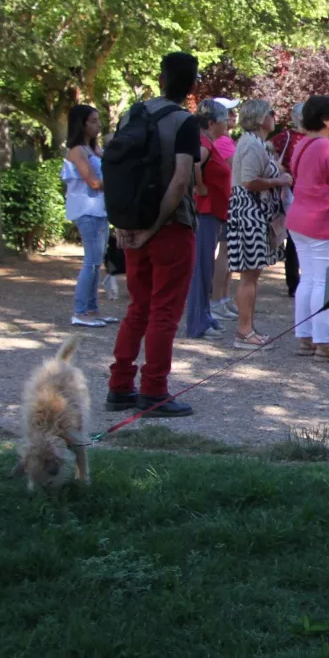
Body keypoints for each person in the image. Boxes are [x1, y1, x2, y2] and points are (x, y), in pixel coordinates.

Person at [107, 52, 202, 418]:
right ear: (192, 86)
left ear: (161, 79)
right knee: (164, 311)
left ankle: (119, 385)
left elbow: (116, 169)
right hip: (170, 226)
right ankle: (154, 390)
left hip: (131, 223)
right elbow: (181, 180)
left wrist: (127, 226)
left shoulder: (132, 114)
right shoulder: (184, 122)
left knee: (138, 307)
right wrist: (154, 228)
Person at [286, 96, 329, 362]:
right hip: (322, 221)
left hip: (300, 219)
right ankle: (323, 341)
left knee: (308, 279)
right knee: (324, 282)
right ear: (326, 119)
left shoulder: (302, 145)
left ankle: (305, 337)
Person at [227, 99, 293, 350]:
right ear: (259, 117)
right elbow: (249, 182)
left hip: (254, 213)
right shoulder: (251, 145)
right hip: (249, 214)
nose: (274, 116)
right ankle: (244, 332)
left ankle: (248, 329)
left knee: (252, 275)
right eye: (271, 113)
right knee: (249, 276)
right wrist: (281, 180)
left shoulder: (255, 144)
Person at [61, 104, 116, 328]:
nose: (98, 125)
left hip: (99, 210)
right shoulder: (77, 151)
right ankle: (80, 310)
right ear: (81, 124)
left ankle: (92, 309)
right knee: (91, 262)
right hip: (86, 210)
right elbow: (93, 181)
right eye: (93, 121)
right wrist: (117, 183)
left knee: (96, 262)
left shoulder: (94, 149)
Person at [183, 99, 232, 340]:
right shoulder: (203, 143)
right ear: (212, 123)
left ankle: (204, 315)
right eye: (224, 121)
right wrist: (200, 186)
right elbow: (194, 164)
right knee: (201, 268)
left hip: (212, 212)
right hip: (205, 212)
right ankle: (197, 322)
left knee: (206, 266)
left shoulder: (207, 142)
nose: (228, 125)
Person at [208, 98, 240, 321]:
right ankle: (216, 299)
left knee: (228, 252)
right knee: (225, 253)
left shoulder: (226, 139)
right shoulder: (222, 142)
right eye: (229, 113)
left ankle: (223, 297)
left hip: (227, 201)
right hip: (222, 203)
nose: (234, 116)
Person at [269, 103, 305, 298]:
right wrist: (280, 171)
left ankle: (297, 281)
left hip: (301, 192)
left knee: (298, 237)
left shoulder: (302, 137)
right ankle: (294, 281)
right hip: (291, 191)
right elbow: (268, 155)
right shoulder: (287, 137)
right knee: (294, 237)